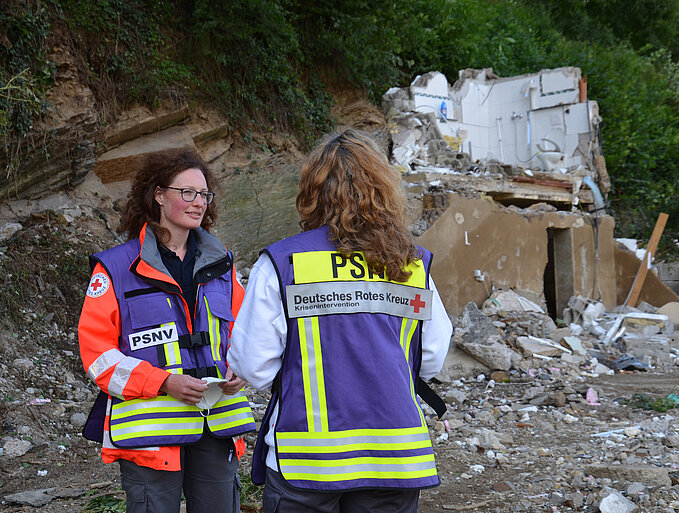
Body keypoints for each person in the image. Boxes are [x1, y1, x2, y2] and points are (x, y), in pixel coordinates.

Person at [228, 129, 452, 513]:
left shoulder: (284, 263)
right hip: (396, 458)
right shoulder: (411, 264)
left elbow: (253, 363)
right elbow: (429, 357)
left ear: (311, 191)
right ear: (383, 189)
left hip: (307, 460)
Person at [78, 149, 255, 513]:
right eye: (187, 192)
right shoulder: (115, 268)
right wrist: (162, 382)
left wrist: (242, 366)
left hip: (217, 423)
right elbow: (98, 355)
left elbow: (243, 330)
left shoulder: (222, 263)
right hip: (151, 435)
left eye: (204, 194)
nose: (198, 202)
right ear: (159, 195)